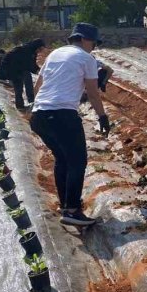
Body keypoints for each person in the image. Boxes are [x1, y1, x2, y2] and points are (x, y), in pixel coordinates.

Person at [31, 23, 110, 227]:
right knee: (77, 161)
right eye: (94, 43)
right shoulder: (86, 58)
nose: (94, 47)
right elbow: (93, 92)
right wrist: (102, 116)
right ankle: (72, 210)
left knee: (63, 159)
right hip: (62, 116)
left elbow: (38, 86)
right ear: (84, 39)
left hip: (39, 116)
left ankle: (66, 204)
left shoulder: (55, 54)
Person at [0, 39, 45, 110]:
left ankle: (30, 101)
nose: (40, 51)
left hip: (20, 68)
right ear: (36, 46)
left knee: (27, 82)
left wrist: (40, 71)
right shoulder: (25, 51)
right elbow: (29, 65)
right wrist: (38, 72)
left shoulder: (32, 51)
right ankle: (21, 105)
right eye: (40, 49)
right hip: (12, 68)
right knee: (19, 86)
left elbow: (33, 64)